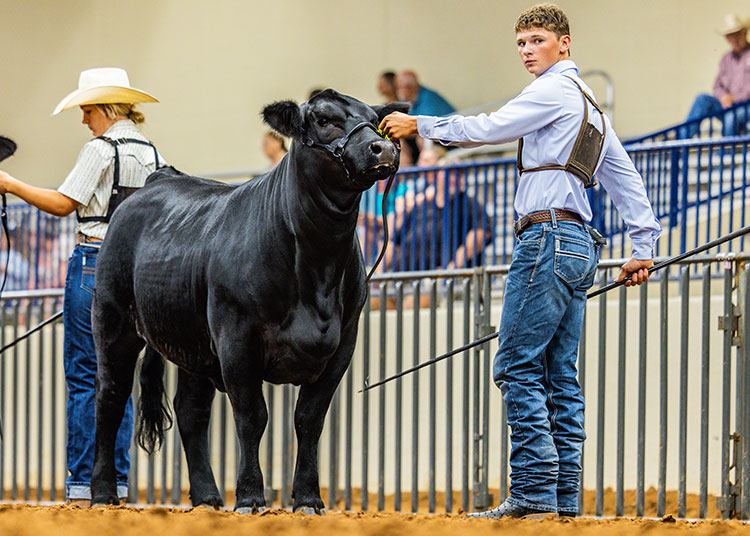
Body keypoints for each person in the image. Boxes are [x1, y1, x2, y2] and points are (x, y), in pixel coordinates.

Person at [380, 3, 661, 519]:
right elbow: (623, 175)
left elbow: (491, 126)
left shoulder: (552, 90)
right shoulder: (590, 103)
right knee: (560, 375)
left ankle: (533, 491)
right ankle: (562, 500)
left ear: (564, 43)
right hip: (580, 245)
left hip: (547, 237)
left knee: (515, 363)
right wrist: (642, 246)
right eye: (521, 43)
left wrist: (421, 123)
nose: (527, 51)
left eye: (536, 40)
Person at [0, 67, 164, 505]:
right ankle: (116, 480)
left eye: (88, 109)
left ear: (107, 108)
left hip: (94, 260)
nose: (84, 118)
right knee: (120, 376)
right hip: (135, 270)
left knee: (85, 375)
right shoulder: (150, 151)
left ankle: (83, 481)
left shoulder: (100, 148)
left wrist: (10, 184)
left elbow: (61, 204)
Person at [682, 14, 750, 138]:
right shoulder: (726, 59)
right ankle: (679, 146)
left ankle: (726, 154)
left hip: (746, 106)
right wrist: (723, 96)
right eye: (730, 35)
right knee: (702, 99)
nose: (734, 38)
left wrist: (734, 98)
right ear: (726, 38)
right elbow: (717, 85)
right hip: (728, 106)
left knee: (731, 116)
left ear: (744, 33)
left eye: (737, 34)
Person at [396, 70, 457, 166]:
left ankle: (425, 170)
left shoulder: (428, 98)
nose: (399, 91)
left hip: (447, 137)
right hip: (431, 136)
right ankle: (405, 176)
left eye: (401, 87)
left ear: (410, 88)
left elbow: (425, 125)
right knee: (398, 140)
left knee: (421, 136)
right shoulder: (409, 100)